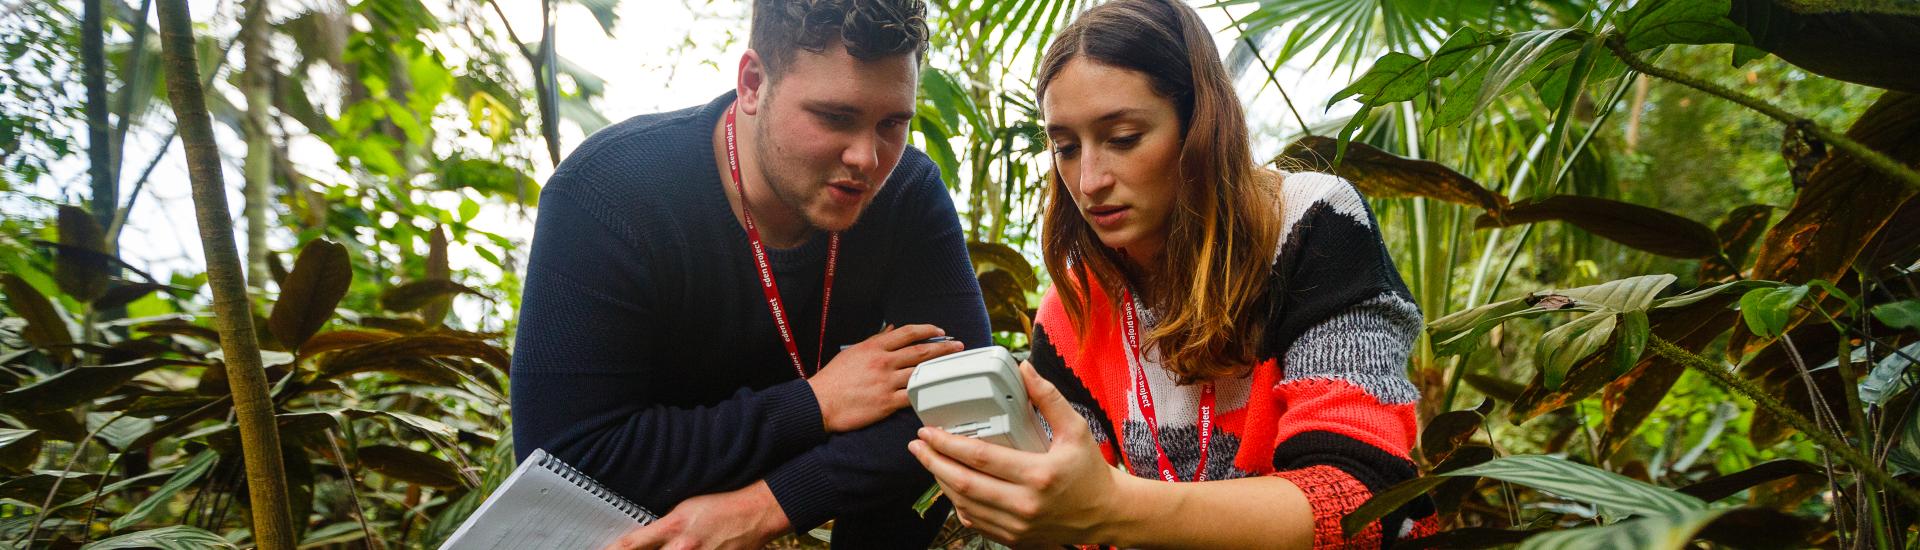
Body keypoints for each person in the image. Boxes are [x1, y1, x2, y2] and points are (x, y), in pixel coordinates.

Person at [906, 1, 1438, 547]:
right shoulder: (1072, 312)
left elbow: (1360, 499)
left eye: (1124, 138)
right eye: (1065, 147)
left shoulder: (1313, 226)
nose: (1088, 180)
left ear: (1199, 124)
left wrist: (1110, 505)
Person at [509, 0, 990, 547]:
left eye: (892, 124)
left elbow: (967, 406)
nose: (867, 157)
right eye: (836, 117)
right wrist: (815, 404)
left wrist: (767, 506)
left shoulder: (907, 193)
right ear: (754, 83)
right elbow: (567, 462)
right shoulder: (608, 195)